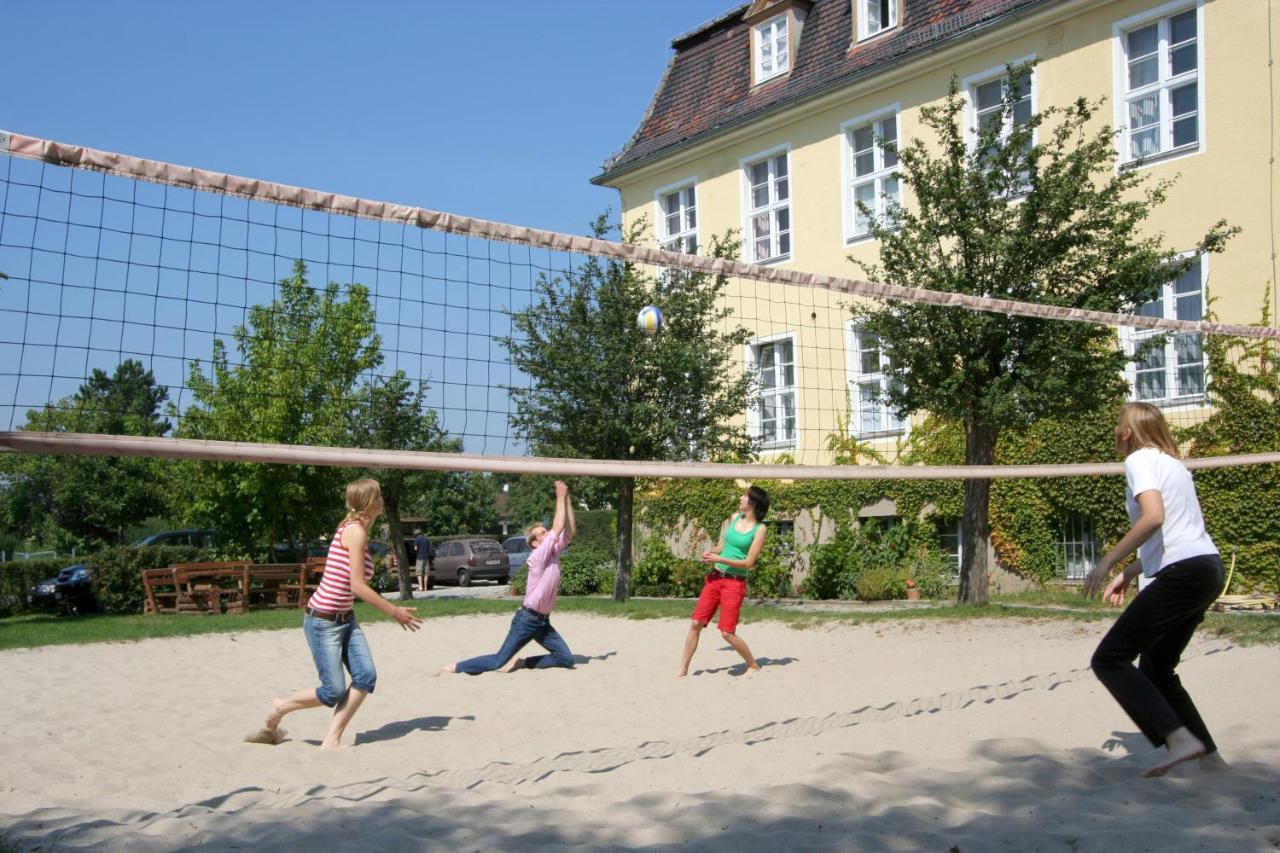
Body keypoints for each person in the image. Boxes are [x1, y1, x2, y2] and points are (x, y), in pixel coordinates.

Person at [1084, 402, 1225, 777]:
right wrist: (1130, 571)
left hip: (1183, 574)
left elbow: (1154, 517)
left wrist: (1107, 561)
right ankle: (1209, 759)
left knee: (1109, 659)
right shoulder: (1174, 464)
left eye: (1118, 424)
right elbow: (1176, 535)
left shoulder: (1139, 460)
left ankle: (1179, 740)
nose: (1116, 430)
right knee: (1157, 668)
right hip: (1206, 569)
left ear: (1127, 431)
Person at [254, 478, 422, 748]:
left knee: (366, 677)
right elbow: (357, 585)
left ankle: (332, 739)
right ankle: (281, 706)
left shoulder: (359, 529)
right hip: (323, 621)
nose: (383, 499)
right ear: (371, 502)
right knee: (332, 691)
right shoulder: (354, 531)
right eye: (379, 495)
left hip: (345, 619)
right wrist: (394, 612)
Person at [442, 480, 576, 675]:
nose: (547, 534)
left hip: (543, 622)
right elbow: (557, 527)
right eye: (542, 533)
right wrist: (559, 496)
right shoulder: (537, 557)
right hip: (527, 620)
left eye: (545, 532)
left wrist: (567, 499)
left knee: (566, 658)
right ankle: (456, 667)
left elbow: (569, 532)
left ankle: (524, 662)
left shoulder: (553, 552)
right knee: (498, 661)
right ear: (535, 544)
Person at [677, 485, 769, 678]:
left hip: (734, 583)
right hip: (715, 578)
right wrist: (713, 552)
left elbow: (748, 562)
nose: (740, 497)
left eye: (744, 496)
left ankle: (752, 665)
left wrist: (720, 559)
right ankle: (683, 669)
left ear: (753, 502)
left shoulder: (760, 529)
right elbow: (727, 544)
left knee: (727, 633)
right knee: (695, 623)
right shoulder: (735, 517)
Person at [414, 527, 432, 592]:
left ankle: (421, 587)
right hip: (426, 558)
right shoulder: (427, 539)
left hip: (419, 558)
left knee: (419, 573)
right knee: (426, 573)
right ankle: (426, 588)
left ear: (416, 535)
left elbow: (415, 549)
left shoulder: (417, 540)